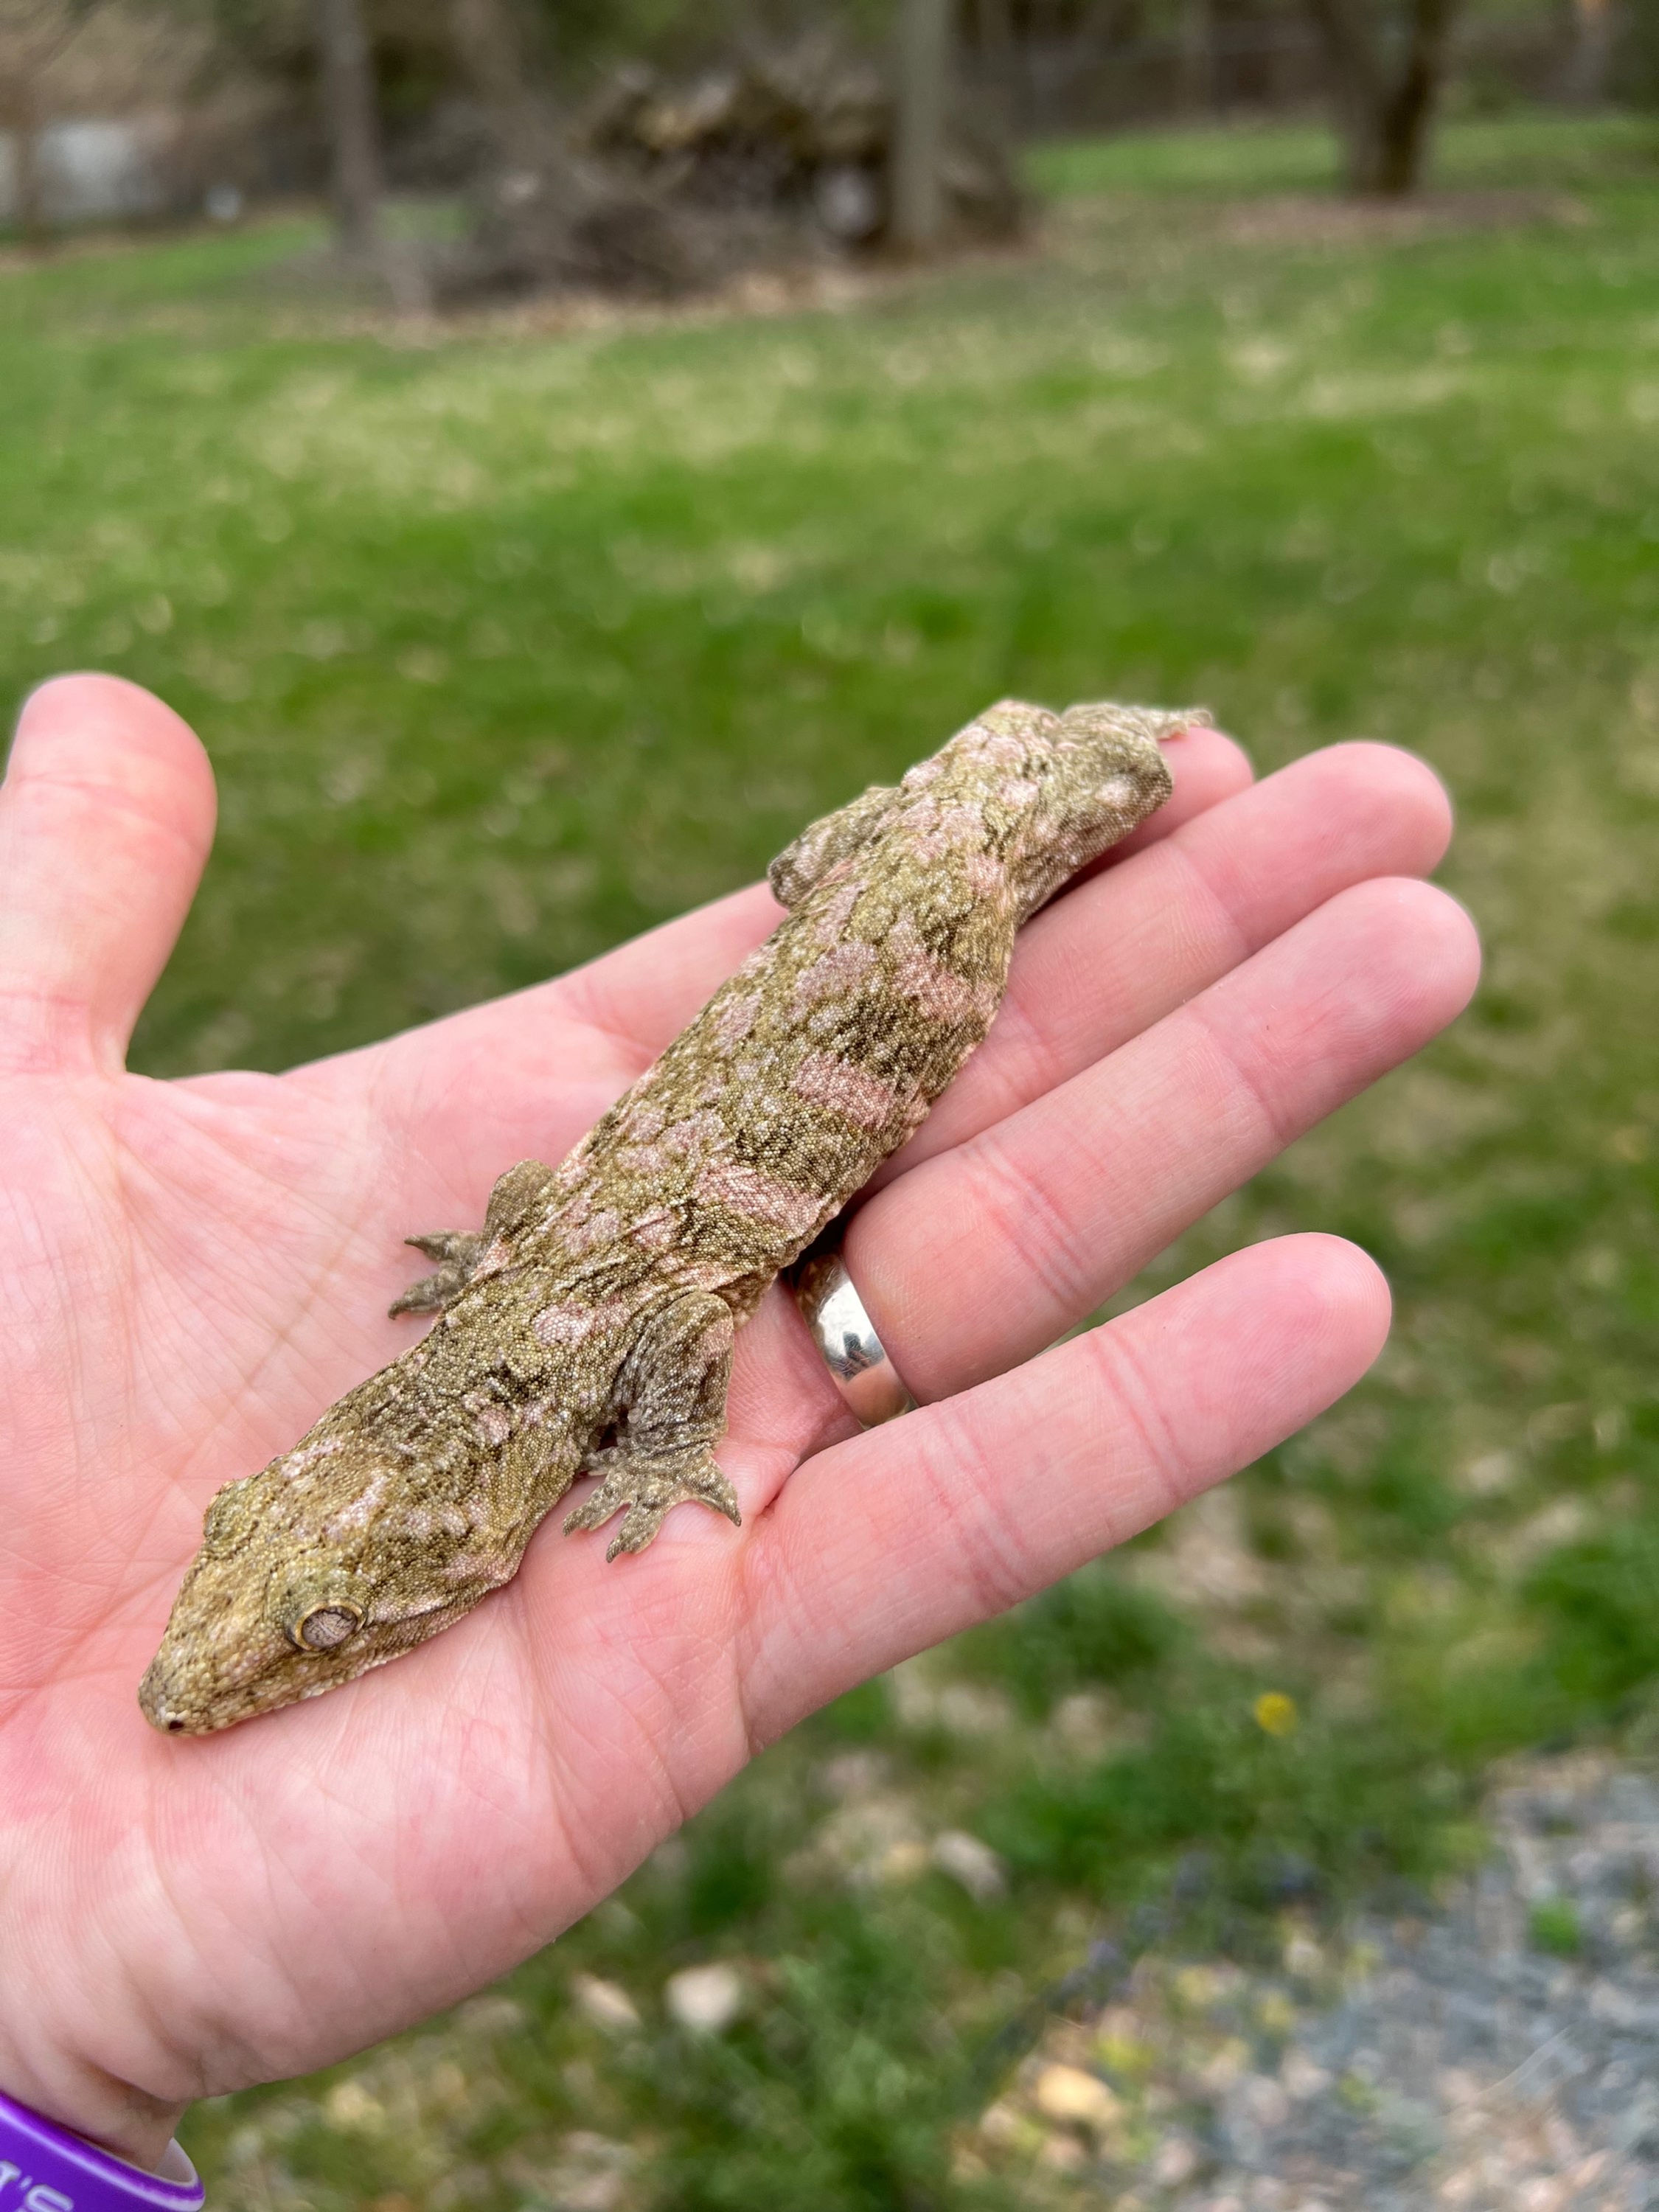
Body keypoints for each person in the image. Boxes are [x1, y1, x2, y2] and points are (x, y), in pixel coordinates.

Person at [0, 674, 1478, 2180]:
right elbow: (551, 1227)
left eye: (316, 1630)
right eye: (301, 1623)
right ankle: (1053, 755)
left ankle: (1085, 756)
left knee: (1044, 811)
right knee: (946, 830)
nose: (211, 1677)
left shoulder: (569, 1349)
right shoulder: (518, 1318)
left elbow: (683, 1315)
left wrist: (655, 1455)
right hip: (866, 929)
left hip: (904, 949)